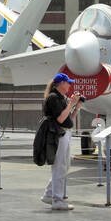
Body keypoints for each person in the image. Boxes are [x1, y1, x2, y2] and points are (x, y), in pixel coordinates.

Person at [41, 73, 83, 210]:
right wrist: (71, 103)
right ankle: (57, 199)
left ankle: (50, 194)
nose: (69, 85)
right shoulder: (53, 98)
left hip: (64, 132)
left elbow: (68, 119)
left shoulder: (61, 98)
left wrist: (76, 107)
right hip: (58, 134)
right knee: (59, 166)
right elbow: (60, 119)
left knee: (64, 166)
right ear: (61, 84)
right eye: (68, 83)